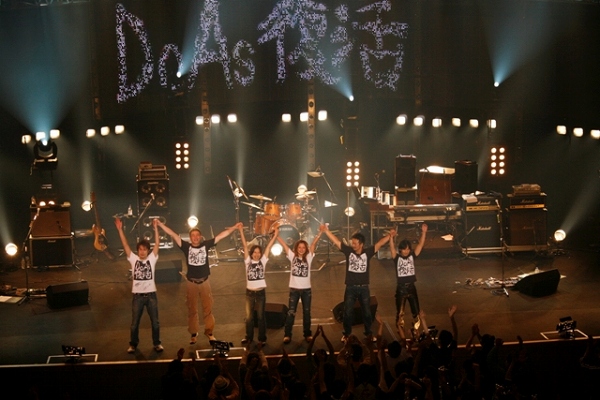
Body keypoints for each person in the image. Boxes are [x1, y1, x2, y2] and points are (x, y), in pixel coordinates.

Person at [158, 220, 242, 345]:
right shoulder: (186, 247)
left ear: (201, 237)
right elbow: (173, 234)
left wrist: (235, 227)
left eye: (197, 235)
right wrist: (160, 224)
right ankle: (193, 333)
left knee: (208, 308)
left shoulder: (205, 245)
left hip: (204, 282)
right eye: (193, 235)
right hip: (191, 283)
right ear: (190, 237)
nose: (195, 237)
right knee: (192, 309)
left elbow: (221, 235)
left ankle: (209, 332)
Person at [320, 224, 394, 342]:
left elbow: (379, 244)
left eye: (355, 243)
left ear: (361, 244)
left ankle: (368, 333)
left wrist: (390, 235)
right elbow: (337, 242)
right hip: (350, 288)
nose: (353, 245)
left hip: (364, 288)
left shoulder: (368, 252)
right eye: (352, 243)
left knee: (367, 313)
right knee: (347, 312)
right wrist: (326, 231)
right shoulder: (349, 251)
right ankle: (347, 334)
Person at [115, 217, 163, 353]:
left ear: (148, 251)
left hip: (151, 296)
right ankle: (133, 344)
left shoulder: (152, 259)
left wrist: (155, 228)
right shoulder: (133, 259)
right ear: (138, 251)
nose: (142, 252)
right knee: (134, 323)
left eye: (144, 249)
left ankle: (157, 343)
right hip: (137, 297)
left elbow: (157, 244)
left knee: (155, 323)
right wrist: (120, 230)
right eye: (140, 249)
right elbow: (125, 245)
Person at [238, 223, 278, 345]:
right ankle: (249, 337)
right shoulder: (248, 262)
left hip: (260, 293)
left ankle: (262, 338)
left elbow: (269, 247)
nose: (256, 254)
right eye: (254, 252)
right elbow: (245, 246)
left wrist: (275, 235)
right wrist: (241, 231)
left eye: (258, 252)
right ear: (251, 254)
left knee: (261, 317)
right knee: (249, 317)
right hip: (249, 293)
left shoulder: (263, 261)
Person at [277, 232, 321, 344]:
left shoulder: (309, 257)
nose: (301, 249)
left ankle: (307, 334)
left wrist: (321, 232)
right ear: (296, 248)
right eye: (299, 247)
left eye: (303, 247)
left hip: (306, 290)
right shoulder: (292, 256)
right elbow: (284, 245)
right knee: (291, 312)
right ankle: (287, 335)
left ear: (306, 249)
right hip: (294, 290)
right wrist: (276, 235)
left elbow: (313, 244)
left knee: (307, 313)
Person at [390, 223, 427, 335]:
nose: (406, 251)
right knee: (400, 313)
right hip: (401, 289)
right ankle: (401, 332)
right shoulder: (397, 258)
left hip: (411, 287)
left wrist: (424, 232)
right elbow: (392, 249)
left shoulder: (412, 256)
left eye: (408, 249)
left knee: (416, 311)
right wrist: (391, 237)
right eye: (404, 249)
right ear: (400, 250)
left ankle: (416, 331)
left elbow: (420, 245)